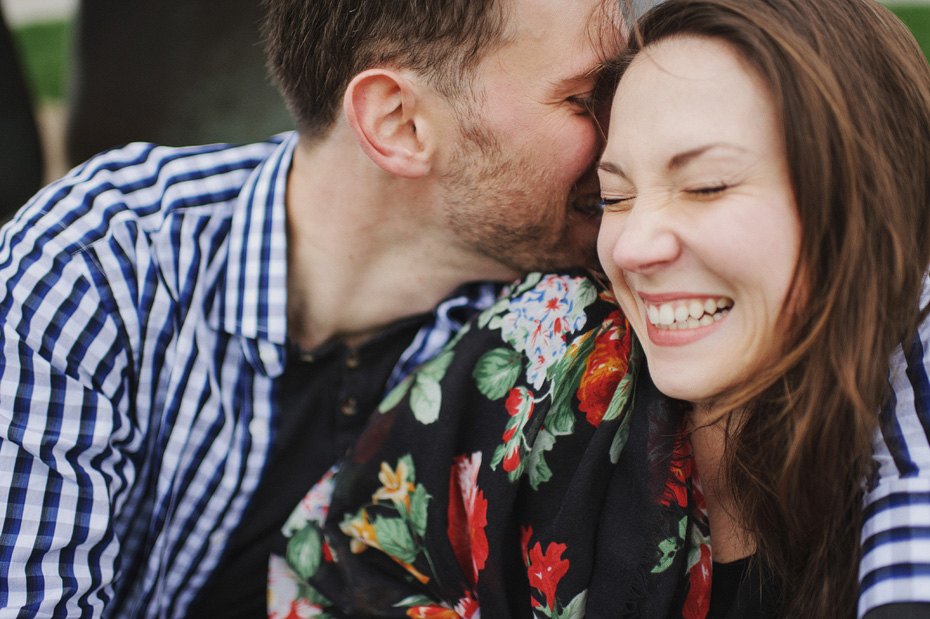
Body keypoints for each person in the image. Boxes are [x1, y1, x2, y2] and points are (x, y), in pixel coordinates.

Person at [269, 0, 930, 617]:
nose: (633, 247)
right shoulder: (552, 344)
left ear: (865, 190)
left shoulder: (902, 427)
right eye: (614, 198)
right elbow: (332, 560)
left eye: (706, 185)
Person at [0, 0, 626, 616]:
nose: (626, 128)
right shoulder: (98, 267)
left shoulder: (565, 322)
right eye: (582, 98)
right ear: (399, 123)